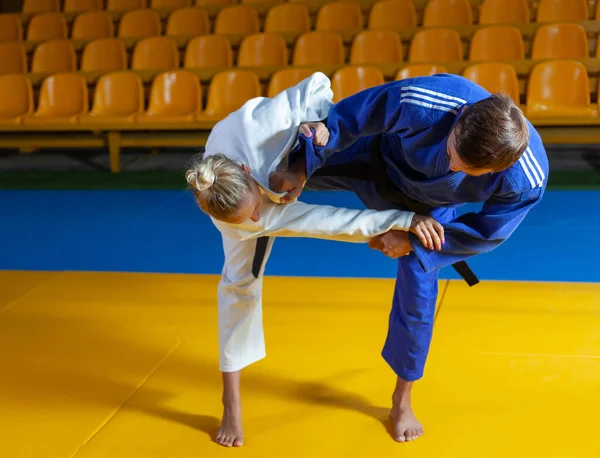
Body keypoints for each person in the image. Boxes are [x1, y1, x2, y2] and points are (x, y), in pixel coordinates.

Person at [269, 73, 549, 443]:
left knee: (419, 294)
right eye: (452, 155)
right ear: (459, 119)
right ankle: (239, 186)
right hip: (375, 161)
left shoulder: (525, 177)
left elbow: (489, 231)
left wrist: (411, 242)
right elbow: (351, 119)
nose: (453, 169)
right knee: (278, 164)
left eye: (469, 171)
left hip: (433, 212)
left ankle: (402, 398)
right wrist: (306, 163)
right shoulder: (425, 100)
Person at [185, 72, 445, 448]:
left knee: (370, 157)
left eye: (255, 209)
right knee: (237, 287)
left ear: (246, 172)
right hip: (253, 189)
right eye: (247, 218)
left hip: (293, 151)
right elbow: (328, 224)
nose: (258, 220)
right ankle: (231, 401)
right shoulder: (224, 207)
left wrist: (319, 128)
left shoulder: (267, 128)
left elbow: (318, 83)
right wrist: (400, 222)